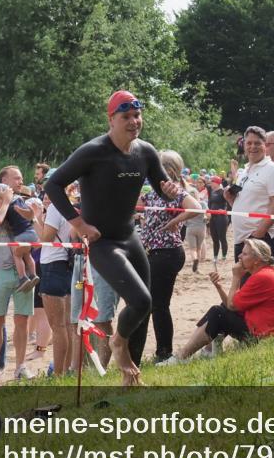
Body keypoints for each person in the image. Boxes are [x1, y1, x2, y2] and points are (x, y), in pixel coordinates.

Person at [45, 91, 181, 386]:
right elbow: (52, 185)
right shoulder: (93, 151)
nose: (134, 122)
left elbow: (160, 186)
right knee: (141, 300)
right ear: (112, 120)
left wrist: (168, 190)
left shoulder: (145, 151)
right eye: (126, 117)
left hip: (130, 237)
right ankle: (118, 344)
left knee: (144, 309)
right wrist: (78, 222)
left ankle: (129, 380)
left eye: (137, 116)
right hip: (103, 242)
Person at [160, 239, 274, 364]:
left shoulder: (262, 277)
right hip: (269, 333)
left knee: (218, 313)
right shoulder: (265, 274)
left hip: (266, 338)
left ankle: (182, 356)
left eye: (245, 254)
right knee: (221, 309)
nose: (239, 256)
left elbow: (232, 305)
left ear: (257, 260)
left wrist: (236, 277)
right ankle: (208, 350)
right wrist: (219, 286)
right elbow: (231, 305)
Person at [138, 150, 200, 364]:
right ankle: (154, 352)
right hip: (152, 251)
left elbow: (197, 209)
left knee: (159, 305)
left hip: (166, 252)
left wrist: (175, 222)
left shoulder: (175, 191)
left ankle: (164, 353)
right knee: (150, 303)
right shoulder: (153, 191)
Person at [0, 166, 37, 382]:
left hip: (21, 269)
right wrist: (5, 200)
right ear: (4, 180)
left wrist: (33, 215)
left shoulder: (22, 201)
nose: (20, 182)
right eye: (16, 178)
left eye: (22, 178)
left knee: (22, 320)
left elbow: (36, 233)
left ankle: (21, 366)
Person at [224, 126, 274, 261]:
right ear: (244, 146)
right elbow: (248, 202)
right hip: (242, 240)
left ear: (265, 145)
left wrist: (259, 234)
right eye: (249, 143)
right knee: (244, 281)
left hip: (260, 240)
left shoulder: (272, 169)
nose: (253, 147)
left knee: (258, 281)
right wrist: (231, 200)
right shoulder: (244, 170)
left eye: (257, 143)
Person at [35, 182, 77, 377]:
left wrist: (35, 218)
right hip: (67, 264)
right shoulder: (71, 206)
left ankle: (59, 373)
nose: (44, 196)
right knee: (66, 324)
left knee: (58, 326)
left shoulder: (54, 207)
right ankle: (66, 370)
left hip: (53, 265)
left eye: (47, 192)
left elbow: (46, 238)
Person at [0, 183, 39, 293]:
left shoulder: (6, 207)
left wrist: (4, 204)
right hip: (32, 233)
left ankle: (23, 277)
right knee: (27, 255)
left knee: (17, 256)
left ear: (4, 197)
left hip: (21, 235)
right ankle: (34, 275)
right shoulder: (19, 200)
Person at [206, 176, 230, 262]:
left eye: (212, 182)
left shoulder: (223, 192)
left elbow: (230, 203)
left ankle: (224, 256)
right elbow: (210, 203)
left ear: (217, 183)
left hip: (221, 217)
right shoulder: (212, 191)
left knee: (222, 237)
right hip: (213, 217)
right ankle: (215, 256)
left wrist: (225, 210)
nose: (211, 184)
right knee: (214, 238)